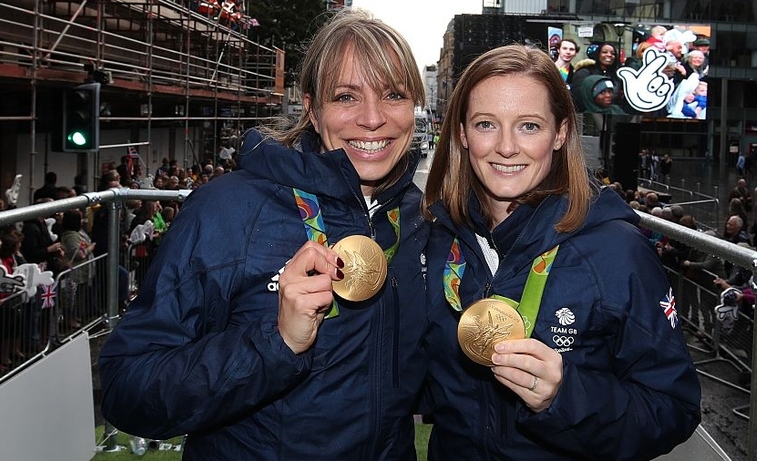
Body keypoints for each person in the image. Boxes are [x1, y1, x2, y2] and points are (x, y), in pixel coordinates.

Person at [98, 8, 429, 459]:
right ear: (312, 109)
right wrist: (277, 343)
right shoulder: (227, 210)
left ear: (414, 106)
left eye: (393, 94)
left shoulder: (421, 218)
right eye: (346, 97)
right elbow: (126, 387)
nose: (372, 119)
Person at [421, 44, 700, 460]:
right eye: (485, 124)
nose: (507, 147)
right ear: (461, 133)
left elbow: (673, 408)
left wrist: (563, 397)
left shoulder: (615, 251)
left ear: (561, 133)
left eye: (529, 126)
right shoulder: (440, 237)